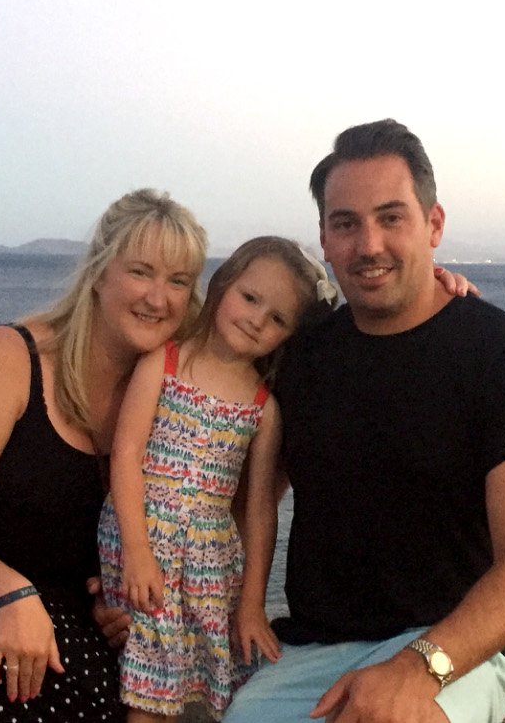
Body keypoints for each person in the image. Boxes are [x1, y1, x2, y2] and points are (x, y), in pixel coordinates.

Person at [222, 120, 505, 723]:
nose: (369, 245)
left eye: (392, 218)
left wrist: (416, 667)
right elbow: (236, 495)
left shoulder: (501, 356)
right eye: (346, 223)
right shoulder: (302, 356)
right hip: (311, 650)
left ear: (433, 224)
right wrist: (145, 581)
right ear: (325, 241)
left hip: (449, 650)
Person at [0, 188, 209, 723]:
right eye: (141, 271)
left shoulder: (169, 401)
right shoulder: (11, 358)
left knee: (90, 696)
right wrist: (10, 594)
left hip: (62, 604)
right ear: (99, 273)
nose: (158, 298)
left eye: (179, 281)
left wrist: (112, 601)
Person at [97, 237, 338, 722]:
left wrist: (251, 604)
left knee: (208, 673)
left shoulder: (262, 407)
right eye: (250, 298)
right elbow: (125, 456)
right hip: (145, 536)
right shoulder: (163, 363)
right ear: (223, 283)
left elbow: (258, 511)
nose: (256, 319)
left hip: (212, 554)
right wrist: (139, 553)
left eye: (277, 319)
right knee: (151, 680)